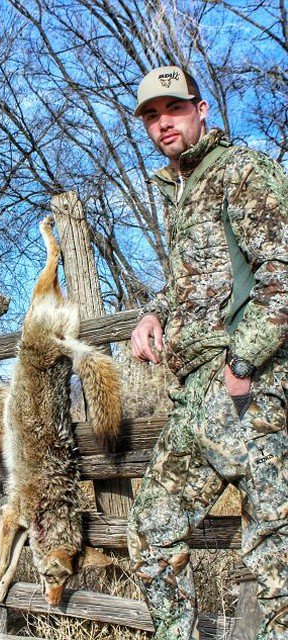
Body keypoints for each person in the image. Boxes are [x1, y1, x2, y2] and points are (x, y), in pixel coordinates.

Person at [127, 65, 288, 640]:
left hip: (253, 389)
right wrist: (155, 313)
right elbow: (194, 283)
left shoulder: (241, 171)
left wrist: (243, 364)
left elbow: (281, 270)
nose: (162, 122)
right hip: (197, 396)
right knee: (148, 531)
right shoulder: (182, 192)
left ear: (201, 110)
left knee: (275, 556)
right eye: (151, 114)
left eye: (173, 109)